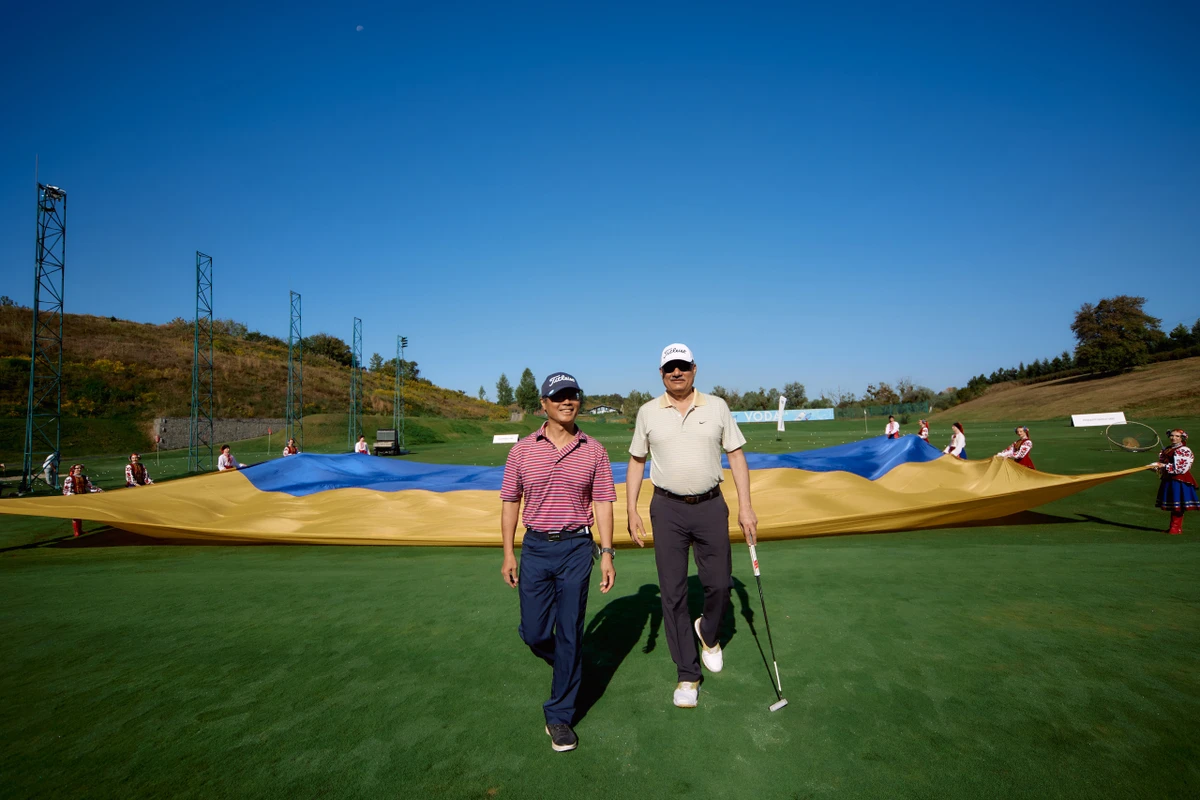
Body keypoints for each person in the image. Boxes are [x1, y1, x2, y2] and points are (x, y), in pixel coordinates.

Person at [626, 343, 757, 709]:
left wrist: (746, 507)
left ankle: (708, 632)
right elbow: (637, 461)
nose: (677, 373)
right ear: (661, 373)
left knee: (720, 584)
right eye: (670, 368)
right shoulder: (648, 412)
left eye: (682, 366)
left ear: (694, 369)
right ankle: (687, 673)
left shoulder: (717, 406)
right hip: (667, 509)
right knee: (672, 593)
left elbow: (736, 456)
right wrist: (631, 509)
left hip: (711, 506)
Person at [500, 371, 616, 752]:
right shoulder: (521, 451)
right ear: (544, 404)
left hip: (577, 548)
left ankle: (559, 716)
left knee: (569, 631)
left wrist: (607, 553)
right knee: (534, 633)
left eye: (573, 395)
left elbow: (603, 502)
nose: (568, 401)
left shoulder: (594, 450)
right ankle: (570, 666)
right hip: (535, 547)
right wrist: (508, 552)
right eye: (559, 396)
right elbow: (510, 502)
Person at [1149, 429, 1197, 535]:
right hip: (1169, 479)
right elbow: (1164, 464)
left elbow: (1180, 468)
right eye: (1172, 435)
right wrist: (1155, 466)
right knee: (1173, 504)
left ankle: (1175, 528)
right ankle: (1174, 527)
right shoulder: (1168, 449)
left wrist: (1163, 466)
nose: (1173, 438)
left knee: (1178, 504)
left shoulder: (1184, 450)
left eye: (1177, 436)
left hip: (1179, 480)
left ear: (1182, 438)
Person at [63, 463, 103, 537]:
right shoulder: (70, 478)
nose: (79, 469)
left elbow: (89, 487)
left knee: (80, 514)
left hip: (83, 497)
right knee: (75, 514)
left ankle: (80, 530)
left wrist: (98, 490)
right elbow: (66, 490)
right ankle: (76, 531)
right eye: (77, 468)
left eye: (80, 468)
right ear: (73, 469)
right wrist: (71, 494)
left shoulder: (84, 477)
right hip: (74, 498)